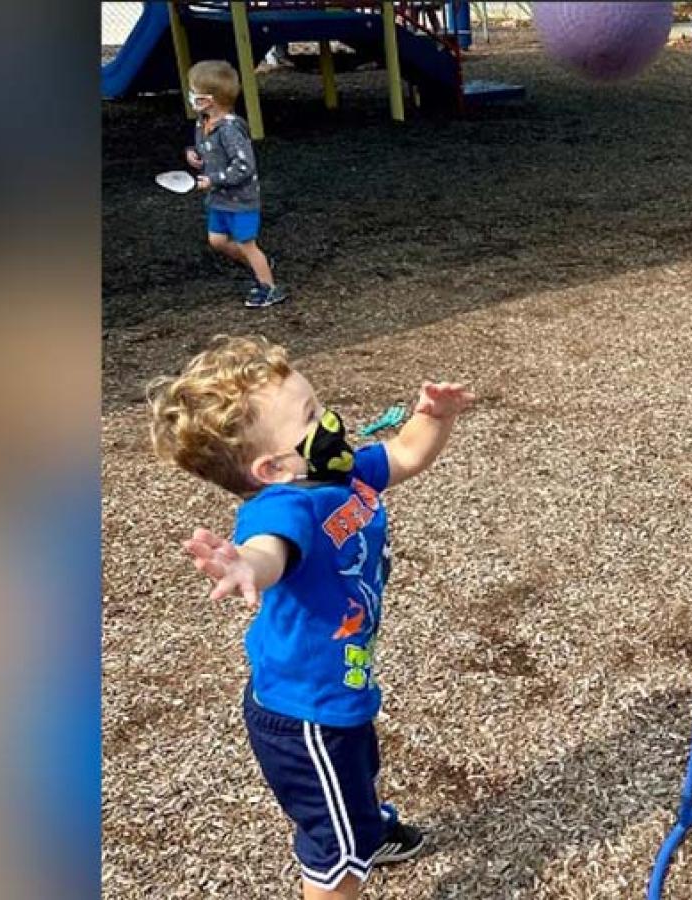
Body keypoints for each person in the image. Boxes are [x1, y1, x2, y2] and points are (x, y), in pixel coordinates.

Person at [147, 334, 475, 897]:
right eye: (312, 416)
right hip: (306, 715)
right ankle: (352, 836)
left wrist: (434, 416)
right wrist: (246, 564)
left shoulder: (341, 474)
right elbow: (271, 548)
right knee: (335, 858)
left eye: (319, 404)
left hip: (336, 689)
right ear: (272, 467)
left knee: (357, 770)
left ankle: (363, 821)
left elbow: (405, 452)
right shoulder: (284, 505)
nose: (331, 421)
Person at [184, 60, 287, 307]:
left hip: (241, 201)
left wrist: (213, 179)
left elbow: (244, 166)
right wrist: (193, 153)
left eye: (193, 91)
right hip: (219, 199)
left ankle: (269, 287)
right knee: (217, 240)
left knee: (247, 244)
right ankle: (260, 266)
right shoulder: (203, 121)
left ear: (208, 100)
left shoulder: (231, 130)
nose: (190, 96)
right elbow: (205, 148)